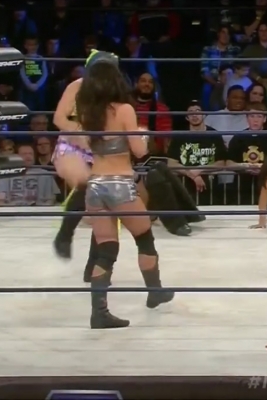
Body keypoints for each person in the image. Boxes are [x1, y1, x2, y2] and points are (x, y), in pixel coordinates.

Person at [77, 54, 174, 329]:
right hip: (119, 183)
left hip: (95, 185)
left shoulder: (87, 113)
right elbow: (140, 151)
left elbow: (86, 146)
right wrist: (141, 133)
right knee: (145, 238)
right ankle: (154, 291)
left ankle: (99, 312)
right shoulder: (124, 110)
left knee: (106, 250)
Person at [51, 51, 107, 260]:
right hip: (72, 144)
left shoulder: (112, 93)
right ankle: (64, 236)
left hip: (99, 148)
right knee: (86, 184)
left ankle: (96, 263)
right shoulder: (76, 87)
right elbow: (59, 119)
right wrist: (80, 133)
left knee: (102, 204)